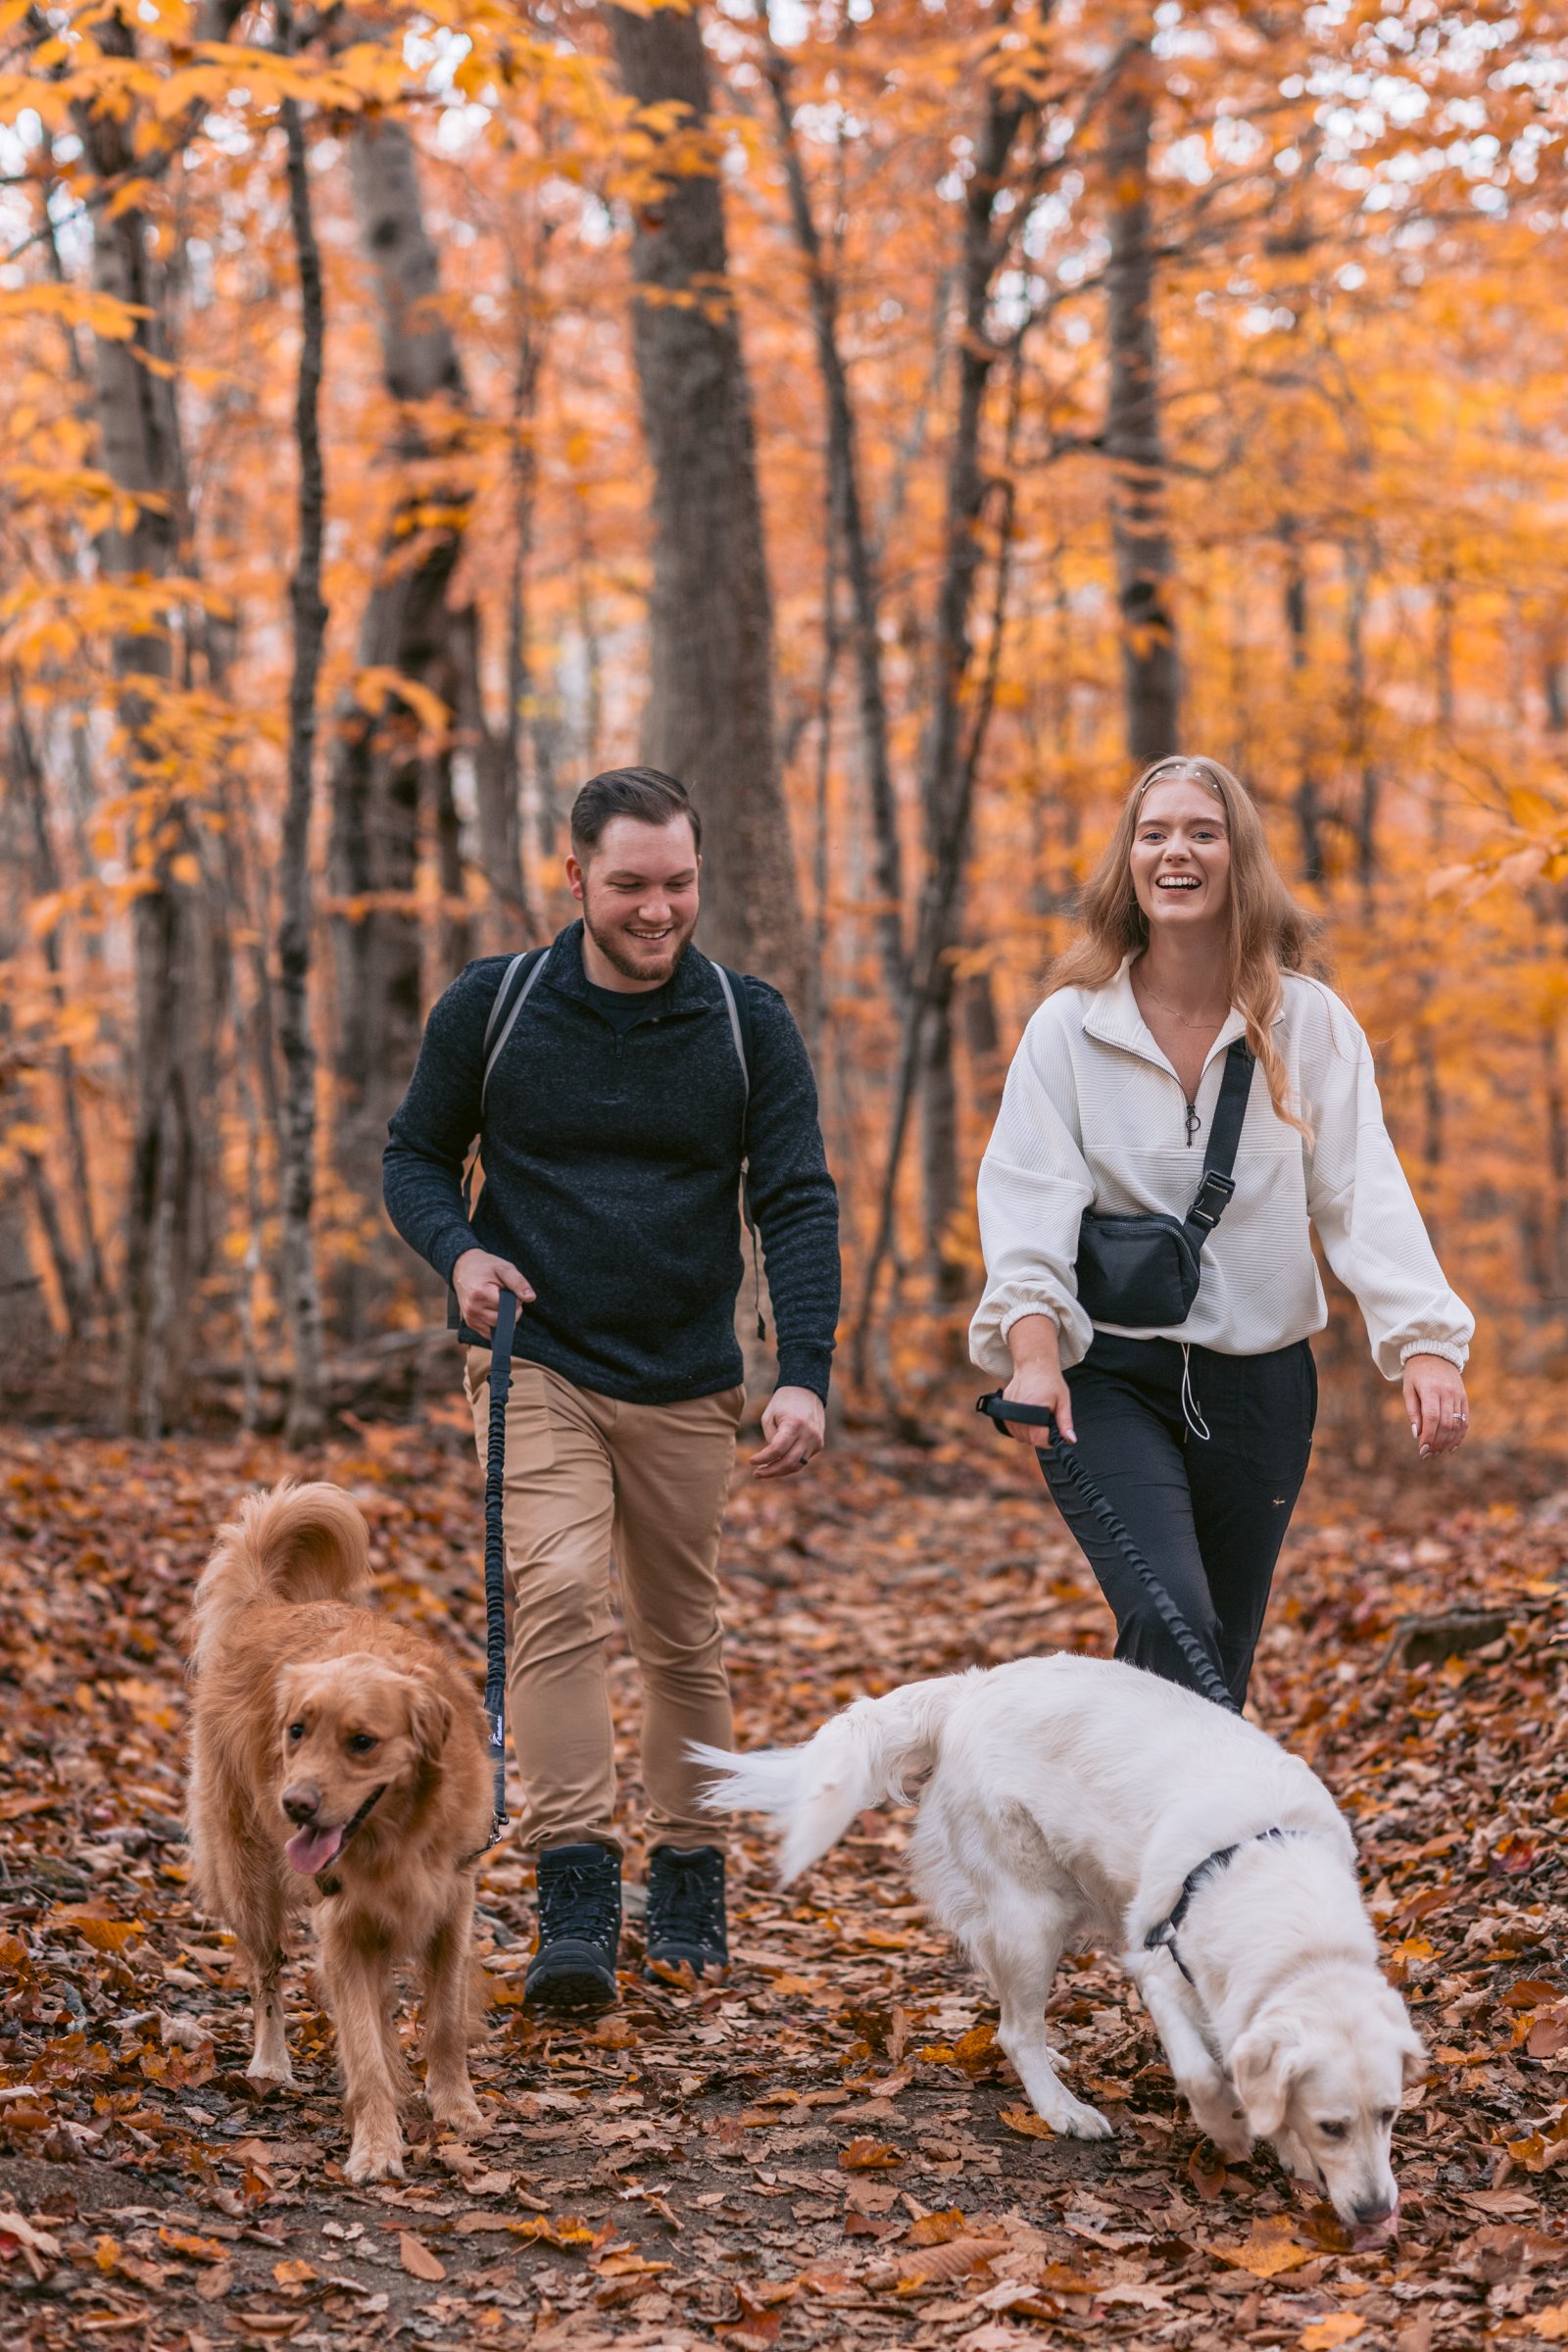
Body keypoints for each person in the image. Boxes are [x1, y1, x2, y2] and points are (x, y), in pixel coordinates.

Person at [383, 765, 840, 2012]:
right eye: (630, 884)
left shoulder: (748, 1024)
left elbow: (794, 1198)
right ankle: (575, 1884)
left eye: (678, 883)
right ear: (575, 876)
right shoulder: (498, 1004)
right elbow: (415, 1155)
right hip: (537, 1360)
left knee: (681, 1631)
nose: (657, 908)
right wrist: (461, 1251)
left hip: (688, 1378)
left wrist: (803, 1371)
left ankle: (688, 1867)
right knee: (560, 1596)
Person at [970, 754, 1473, 1707]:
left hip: (1261, 1386)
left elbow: (1360, 1189)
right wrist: (1031, 1355)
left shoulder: (1308, 1023)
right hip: (1107, 1379)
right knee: (1172, 1622)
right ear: (1126, 862)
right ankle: (1135, 1844)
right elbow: (1026, 1200)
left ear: (1240, 858)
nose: (1175, 852)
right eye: (1152, 833)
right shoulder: (1068, 1029)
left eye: (1201, 832)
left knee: (1218, 1668)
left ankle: (1163, 1850)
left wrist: (1424, 1344)